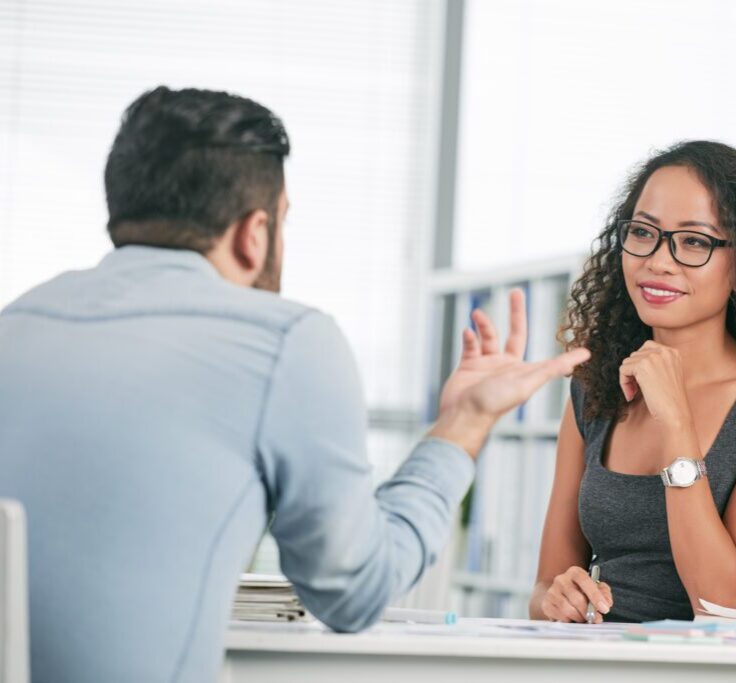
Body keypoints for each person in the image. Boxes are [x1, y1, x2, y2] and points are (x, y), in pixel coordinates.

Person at [0, 86, 588, 682]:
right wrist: (466, 422)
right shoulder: (283, 339)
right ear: (254, 233)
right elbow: (354, 592)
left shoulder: (14, 324)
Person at [528, 140, 736, 623]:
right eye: (643, 232)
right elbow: (542, 589)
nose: (658, 261)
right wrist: (555, 599)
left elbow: (718, 601)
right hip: (585, 663)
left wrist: (675, 421)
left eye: (695, 241)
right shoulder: (594, 388)